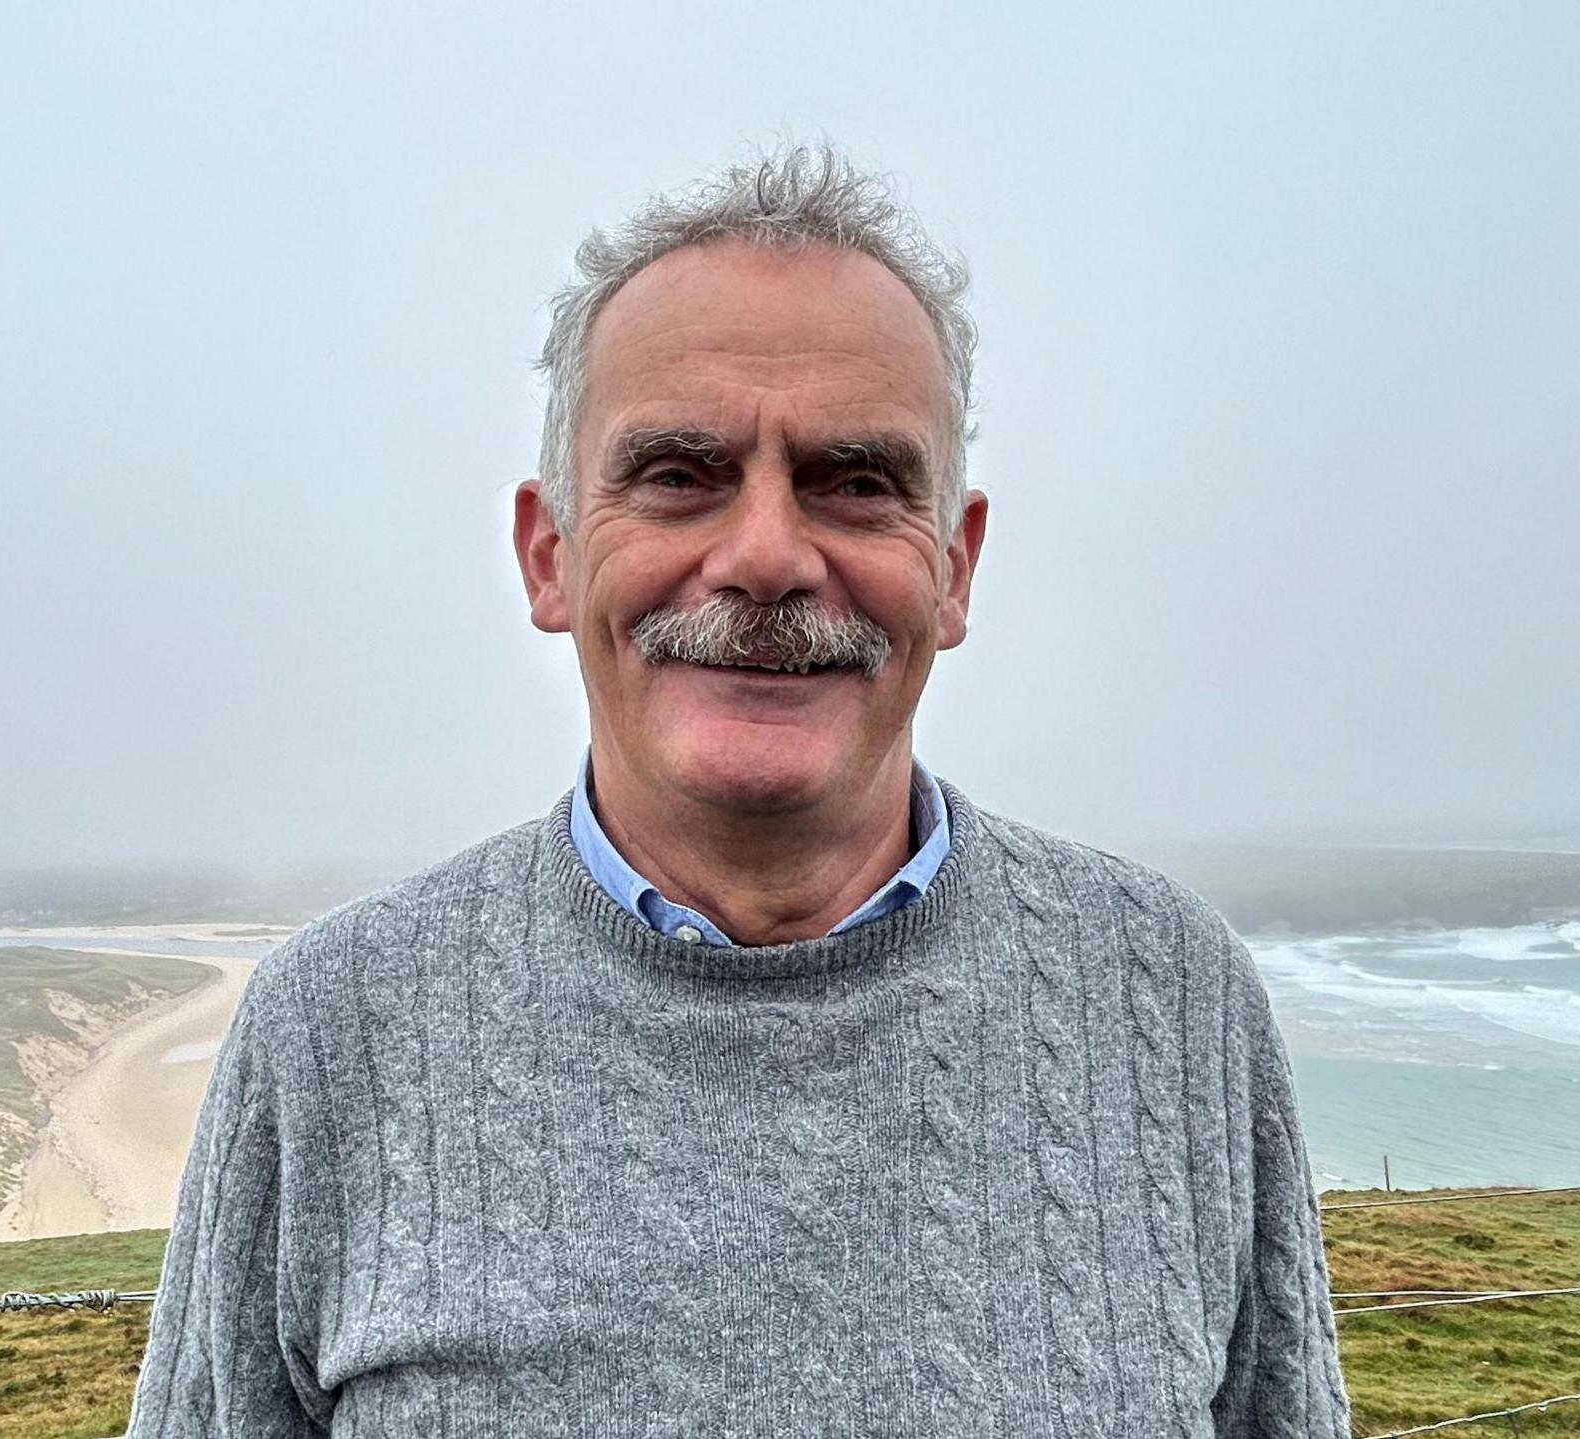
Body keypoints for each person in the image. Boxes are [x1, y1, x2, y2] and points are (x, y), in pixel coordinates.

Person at [123, 141, 1348, 1438]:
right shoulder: (328, 1035)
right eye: (678, 475)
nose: (765, 557)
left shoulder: (1174, 999)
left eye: (857, 481)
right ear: (549, 554)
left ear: (956, 568)